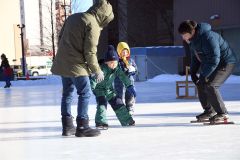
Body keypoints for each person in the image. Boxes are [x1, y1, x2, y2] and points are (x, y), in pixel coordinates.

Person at [51, 0, 114, 137]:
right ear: (103, 15)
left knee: (67, 94)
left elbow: (60, 37)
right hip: (77, 65)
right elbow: (90, 52)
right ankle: (82, 126)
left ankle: (67, 127)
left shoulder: (73, 17)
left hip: (63, 62)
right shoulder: (93, 24)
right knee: (85, 93)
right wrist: (97, 70)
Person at [178, 20, 237, 123]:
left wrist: (204, 75)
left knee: (211, 85)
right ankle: (209, 111)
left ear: (192, 31)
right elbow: (195, 58)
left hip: (226, 63)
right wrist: (193, 73)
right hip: (212, 64)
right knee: (200, 83)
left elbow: (215, 58)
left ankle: (222, 113)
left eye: (184, 34)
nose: (183, 37)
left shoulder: (208, 37)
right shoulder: (193, 41)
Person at [91, 45, 136, 129]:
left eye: (115, 62)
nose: (113, 64)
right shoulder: (102, 69)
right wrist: (93, 88)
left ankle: (127, 121)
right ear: (106, 62)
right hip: (99, 89)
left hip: (109, 89)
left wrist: (129, 86)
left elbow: (123, 77)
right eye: (111, 62)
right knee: (102, 104)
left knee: (118, 103)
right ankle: (101, 123)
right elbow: (93, 79)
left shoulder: (117, 68)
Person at [114, 42, 137, 115]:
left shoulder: (130, 60)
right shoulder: (117, 61)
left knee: (130, 93)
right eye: (123, 52)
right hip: (119, 80)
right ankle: (120, 108)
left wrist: (133, 70)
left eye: (126, 52)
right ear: (119, 52)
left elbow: (136, 69)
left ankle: (129, 106)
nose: (125, 53)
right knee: (118, 94)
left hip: (129, 79)